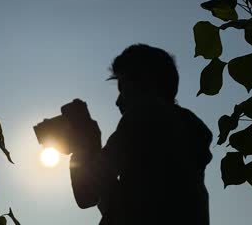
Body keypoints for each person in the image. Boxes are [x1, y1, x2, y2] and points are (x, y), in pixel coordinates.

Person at [69, 44, 213, 225]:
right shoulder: (187, 130)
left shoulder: (144, 115)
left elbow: (86, 194)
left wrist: (82, 145)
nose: (118, 101)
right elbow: (119, 197)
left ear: (146, 82)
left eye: (123, 88)